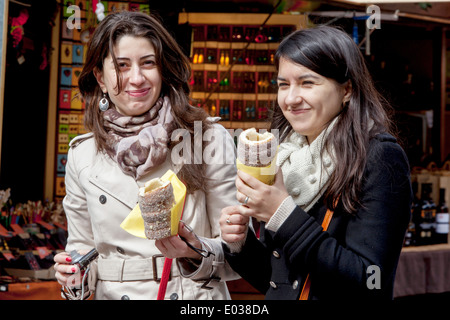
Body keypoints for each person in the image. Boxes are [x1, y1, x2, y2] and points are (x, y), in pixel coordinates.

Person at [53, 11, 239, 300]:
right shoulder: (82, 155)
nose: (136, 78)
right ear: (100, 78)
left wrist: (192, 251)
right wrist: (73, 277)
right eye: (121, 65)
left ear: (163, 69)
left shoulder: (207, 139)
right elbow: (82, 250)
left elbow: (239, 253)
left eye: (148, 63)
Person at [220, 26, 412, 300]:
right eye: (283, 84)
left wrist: (283, 214)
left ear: (346, 89)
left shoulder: (379, 157)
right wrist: (240, 243)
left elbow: (371, 281)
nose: (291, 98)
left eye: (307, 83)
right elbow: (279, 282)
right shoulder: (284, 159)